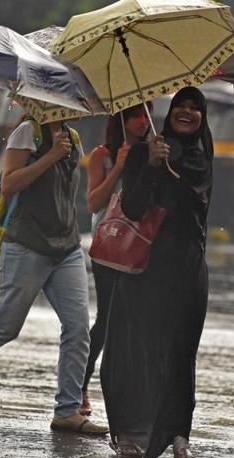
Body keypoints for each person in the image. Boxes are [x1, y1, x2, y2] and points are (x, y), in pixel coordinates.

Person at [100, 87, 213, 458]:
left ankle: (179, 440)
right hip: (146, 265)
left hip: (187, 265)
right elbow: (131, 206)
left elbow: (196, 204)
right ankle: (134, 431)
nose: (187, 112)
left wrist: (169, 169)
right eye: (180, 105)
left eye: (195, 108)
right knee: (141, 350)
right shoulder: (146, 151)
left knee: (182, 355)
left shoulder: (202, 155)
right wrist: (149, 164)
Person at [0, 114, 109, 435]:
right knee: (5, 327)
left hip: (65, 247)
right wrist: (51, 156)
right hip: (27, 244)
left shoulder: (73, 137)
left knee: (78, 328)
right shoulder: (28, 132)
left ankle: (68, 410)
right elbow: (8, 184)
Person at [81, 104, 152, 416]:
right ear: (121, 119)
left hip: (143, 242)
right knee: (107, 318)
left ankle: (130, 394)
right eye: (136, 114)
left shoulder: (153, 151)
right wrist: (120, 168)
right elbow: (94, 202)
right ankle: (80, 386)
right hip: (109, 244)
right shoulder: (103, 155)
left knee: (136, 318)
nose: (143, 120)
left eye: (147, 113)